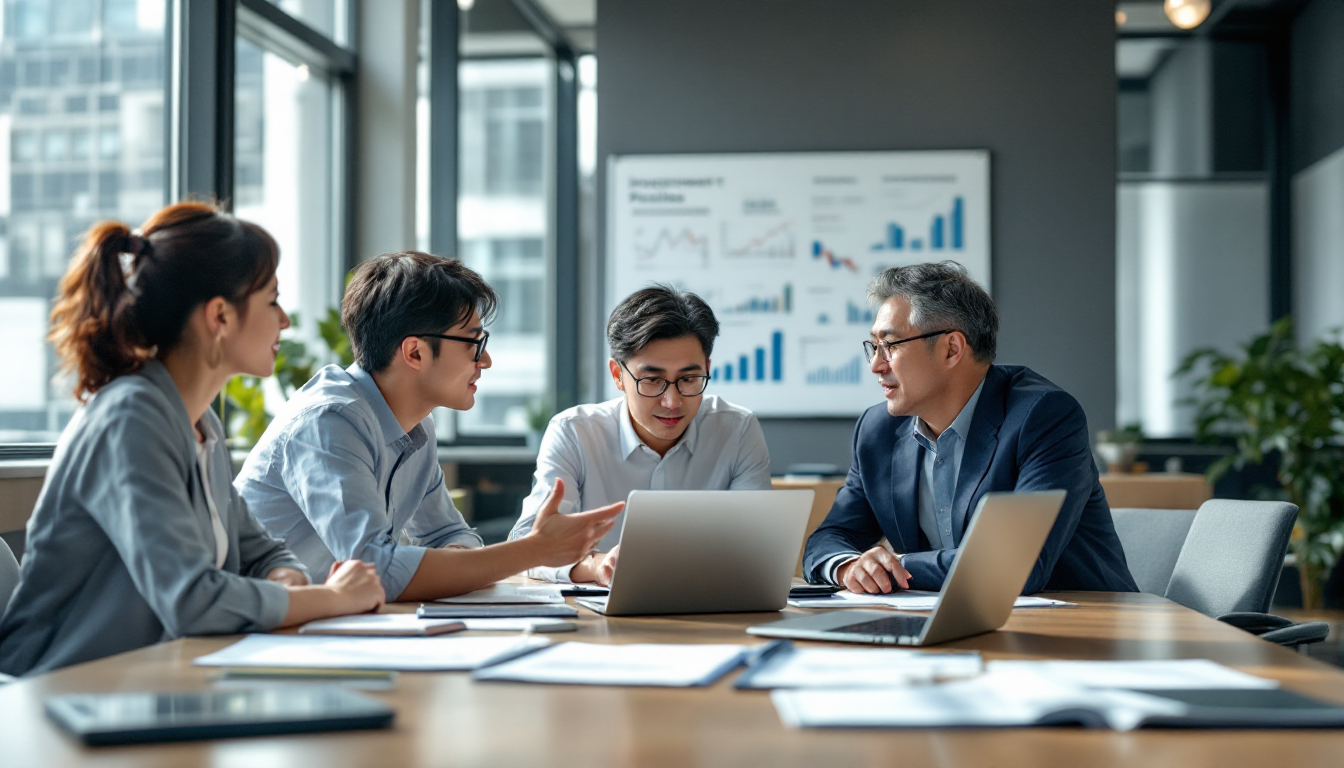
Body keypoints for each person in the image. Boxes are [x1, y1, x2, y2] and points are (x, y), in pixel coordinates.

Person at [0, 203, 385, 677]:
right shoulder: (130, 418)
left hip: (149, 683)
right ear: (220, 316)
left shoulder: (199, 423)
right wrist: (328, 598)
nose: (284, 320)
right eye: (271, 300)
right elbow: (192, 600)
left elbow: (261, 550)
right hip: (54, 698)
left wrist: (281, 577)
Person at [236, 251, 623, 602]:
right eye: (473, 343)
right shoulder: (328, 421)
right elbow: (377, 570)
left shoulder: (416, 427)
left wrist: (443, 566)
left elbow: (451, 538)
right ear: (415, 352)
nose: (485, 361)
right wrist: (533, 550)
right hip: (239, 639)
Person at [802, 261, 1136, 595]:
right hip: (947, 623)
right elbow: (830, 539)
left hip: (1081, 625)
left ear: (951, 349)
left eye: (890, 345)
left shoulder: (1043, 417)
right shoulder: (878, 431)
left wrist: (895, 565)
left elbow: (1013, 565)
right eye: (873, 346)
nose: (876, 364)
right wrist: (848, 567)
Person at [508, 285, 773, 584]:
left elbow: (757, 547)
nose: (672, 401)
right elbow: (528, 545)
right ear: (617, 374)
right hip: (598, 615)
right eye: (652, 380)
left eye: (689, 379)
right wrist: (598, 566)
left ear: (707, 368)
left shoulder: (737, 430)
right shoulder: (574, 432)